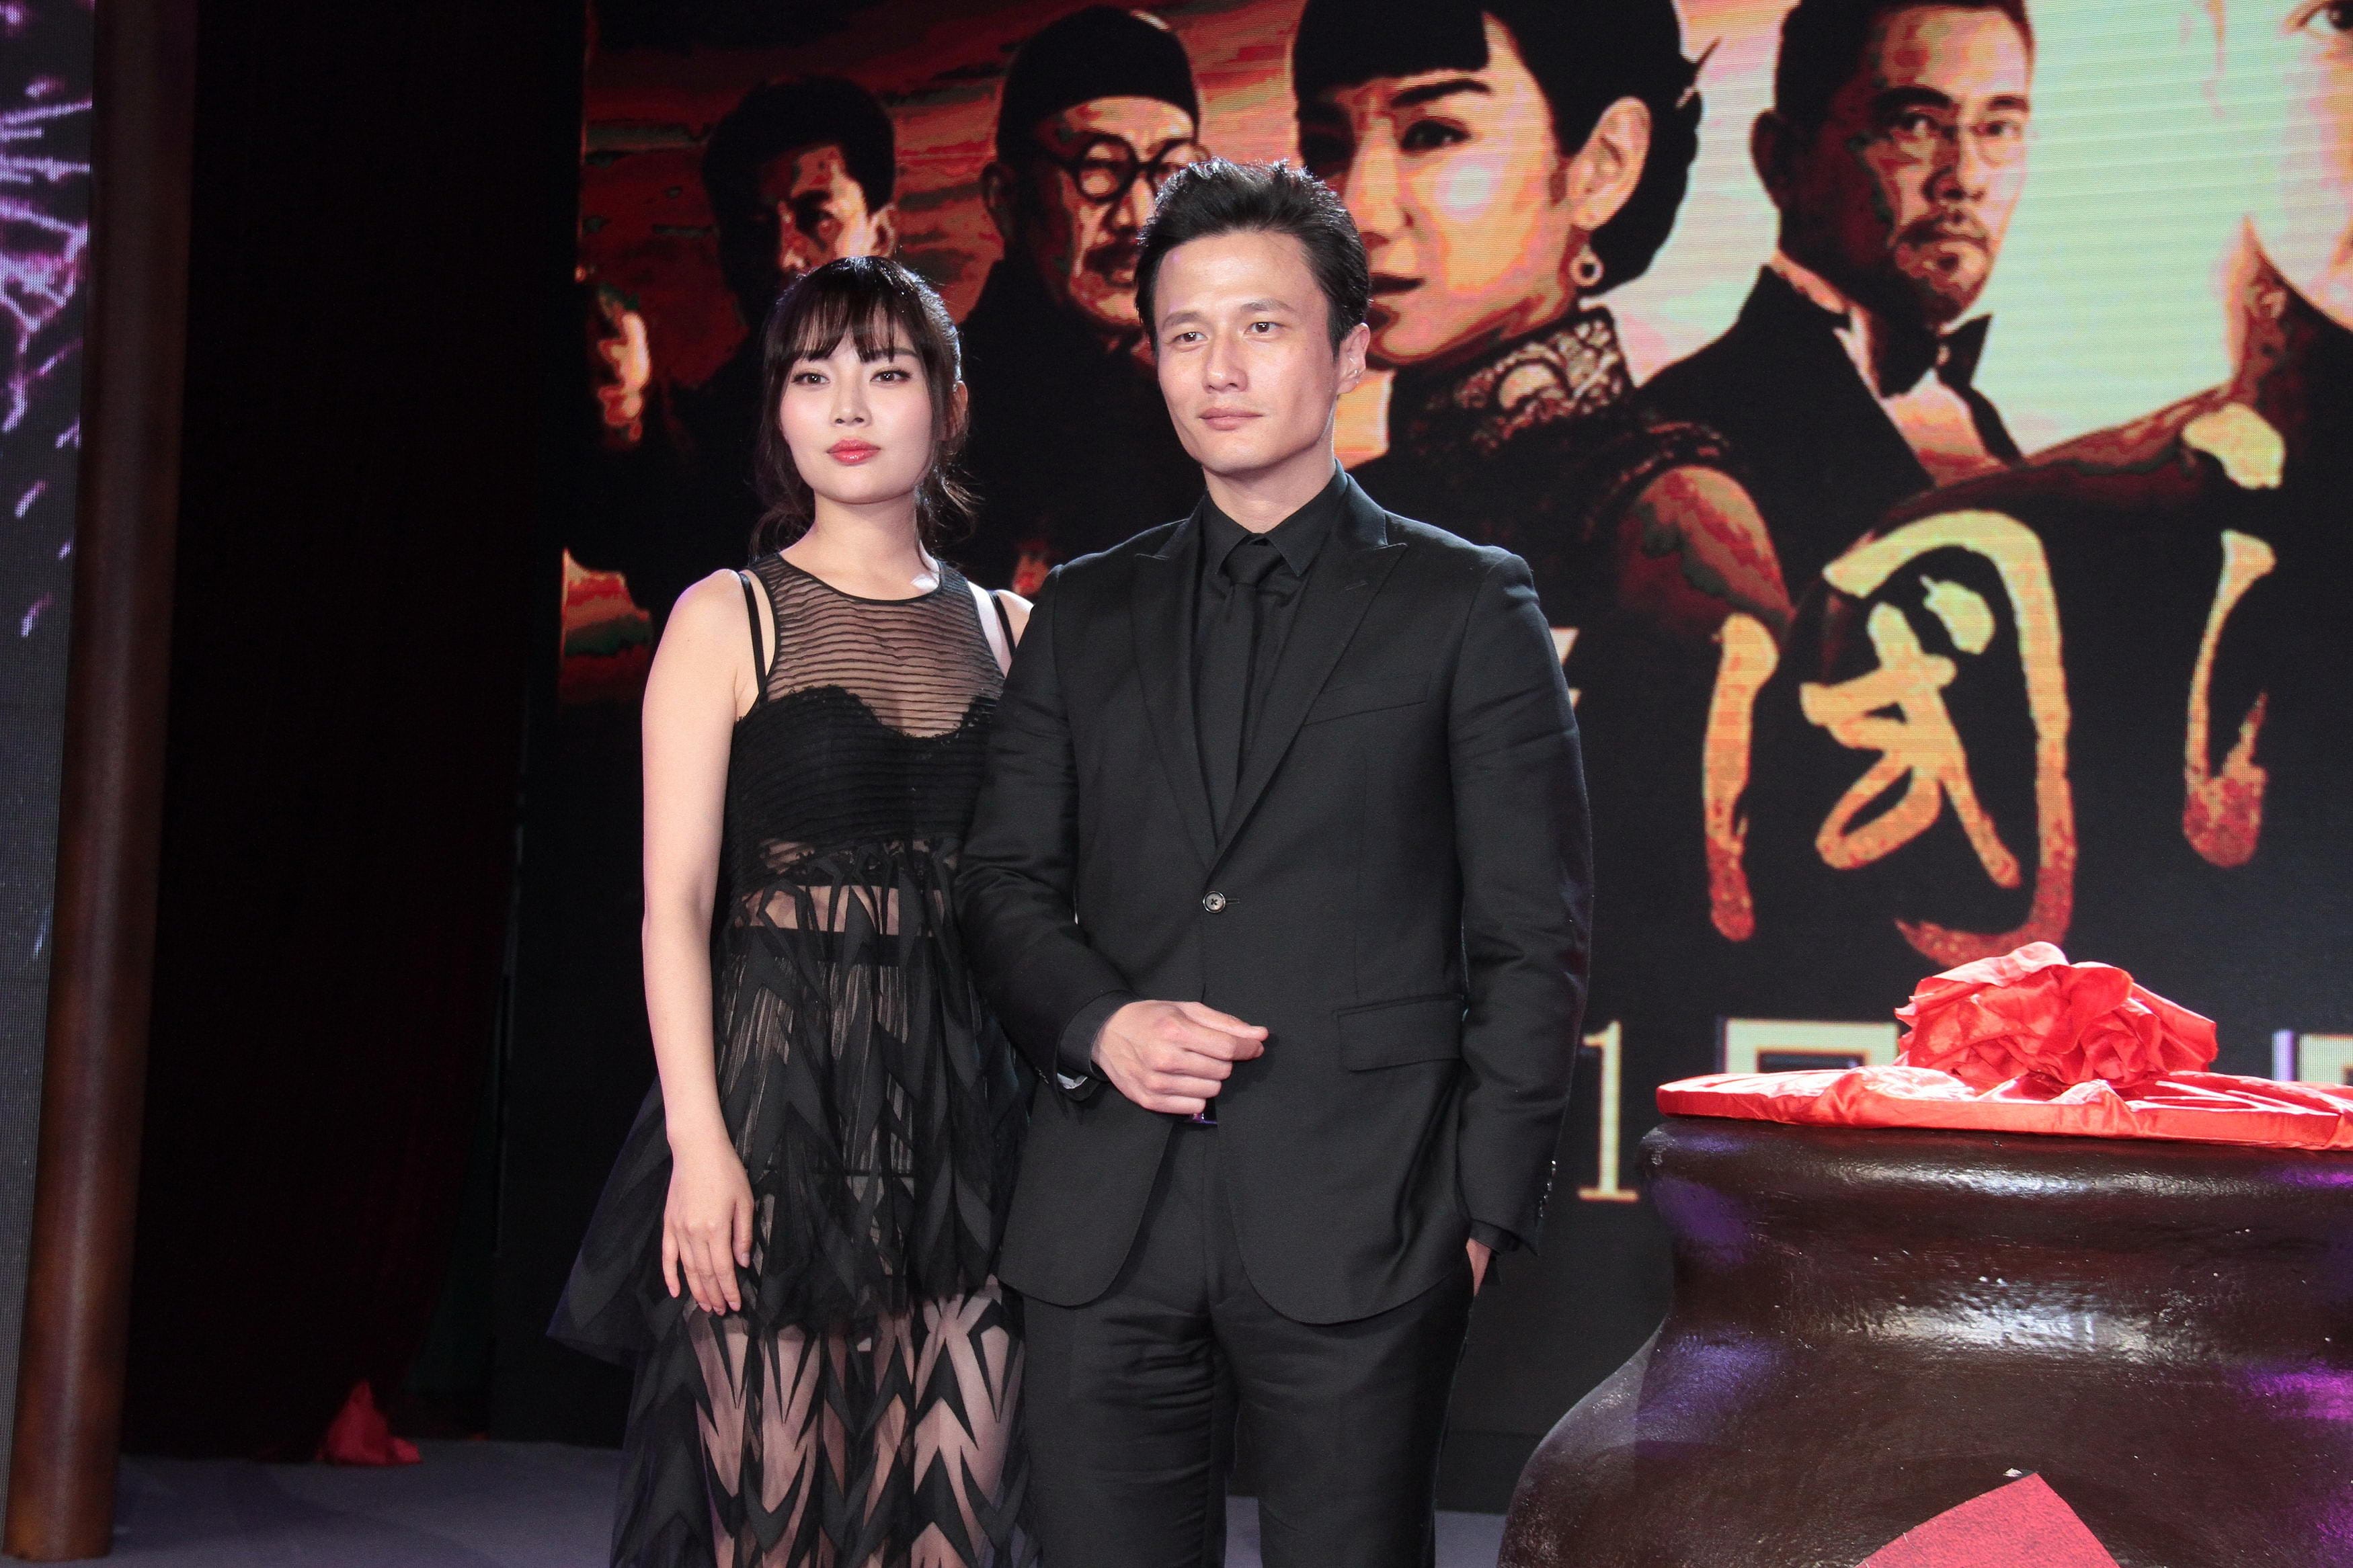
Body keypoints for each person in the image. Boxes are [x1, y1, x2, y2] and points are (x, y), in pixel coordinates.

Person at [957, 159, 1590, 1566]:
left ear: (1349, 351)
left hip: (1368, 1213)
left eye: (1262, 325)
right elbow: (1000, 884)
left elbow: (1529, 934)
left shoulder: (1464, 601)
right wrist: (1101, 1022)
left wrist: (1479, 1214)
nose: (1220, 369)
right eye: (1186, 333)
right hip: (1105, 1219)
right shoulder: (1085, 608)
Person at [1730, 0, 2353, 1055]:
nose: (1962, 177)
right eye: (2339, 20)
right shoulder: (1967, 584)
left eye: (1996, 128)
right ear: (2215, 49)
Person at [553, 257, 1037, 1568]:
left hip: (964, 1120)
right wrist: (699, 1144)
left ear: (948, 401)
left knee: (956, 1519)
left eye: (887, 370)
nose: (849, 405)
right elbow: (673, 904)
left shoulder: (1013, 630)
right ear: (777, 409)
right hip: (778, 1105)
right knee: (773, 1524)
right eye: (814, 375)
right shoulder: (728, 615)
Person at [1293, 0, 1789, 647]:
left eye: (1433, 134)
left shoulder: (1665, 515)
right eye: (1327, 149)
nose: (1359, 210)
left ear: (1602, 166)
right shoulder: (1341, 515)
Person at [1642, 0, 2034, 590]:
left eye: (1998, 129)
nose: (1967, 178)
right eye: (1916, 124)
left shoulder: (1978, 419)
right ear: (1781, 160)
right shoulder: (1679, 426)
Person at [575, 77, 903, 628]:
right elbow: (635, 549)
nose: (783, 257)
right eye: (753, 228)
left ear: (881, 235)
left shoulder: (955, 406)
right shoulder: (705, 434)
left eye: (817, 218)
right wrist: (625, 425)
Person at [956, 5, 1209, 592]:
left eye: (1170, 172)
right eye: (1100, 168)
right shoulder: (946, 414)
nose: (1140, 217)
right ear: (1006, 199)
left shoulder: (1172, 412)